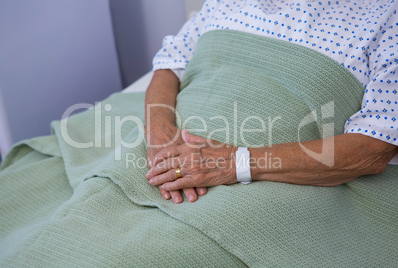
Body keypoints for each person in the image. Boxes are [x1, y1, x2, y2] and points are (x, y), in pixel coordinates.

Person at [144, 0, 398, 204]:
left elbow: (373, 147)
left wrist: (236, 163)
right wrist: (159, 134)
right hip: (165, 163)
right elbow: (170, 63)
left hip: (275, 185)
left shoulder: (387, 15)